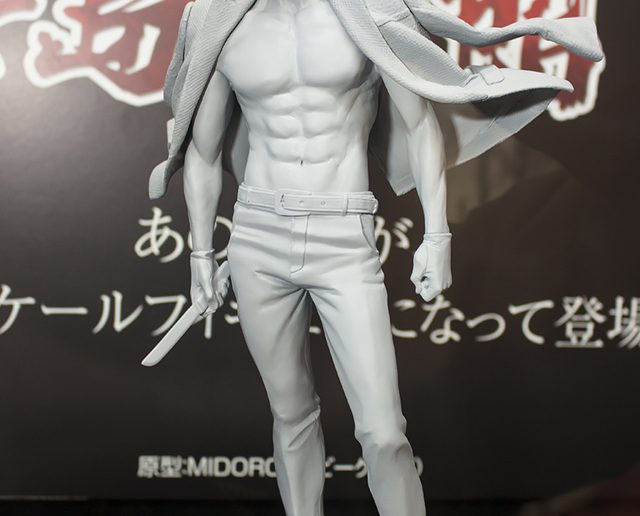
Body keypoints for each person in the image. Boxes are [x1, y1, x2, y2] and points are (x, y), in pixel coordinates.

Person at [151, 1, 603, 514]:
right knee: (290, 414)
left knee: (384, 431)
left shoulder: (371, 12)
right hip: (257, 232)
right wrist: (200, 253)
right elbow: (204, 151)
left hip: (343, 233)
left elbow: (420, 125)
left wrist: (437, 235)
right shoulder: (220, 21)